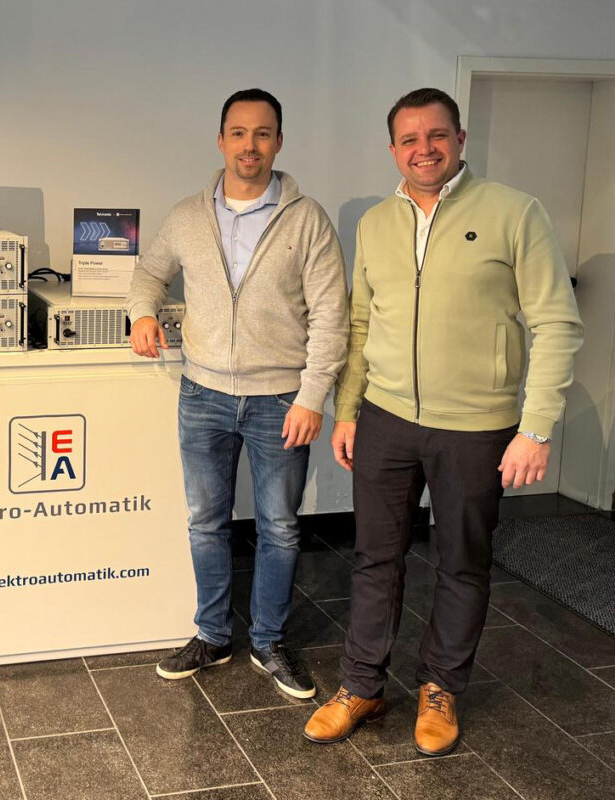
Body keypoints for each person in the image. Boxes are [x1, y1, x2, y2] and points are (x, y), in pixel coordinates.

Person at [304, 88, 583, 756]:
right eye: (409, 139)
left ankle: (440, 688)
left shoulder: (515, 212)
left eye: (436, 135)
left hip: (477, 427)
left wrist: (535, 427)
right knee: (375, 558)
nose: (423, 149)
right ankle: (362, 684)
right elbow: (362, 322)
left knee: (462, 562)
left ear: (459, 138)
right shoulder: (377, 223)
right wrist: (348, 410)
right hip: (385, 420)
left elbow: (556, 322)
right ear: (393, 149)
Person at [127, 89, 349, 699]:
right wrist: (142, 312)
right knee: (206, 522)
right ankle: (213, 634)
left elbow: (332, 315)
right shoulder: (187, 216)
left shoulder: (307, 220)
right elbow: (148, 273)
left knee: (279, 526)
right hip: (202, 394)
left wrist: (312, 396)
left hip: (281, 401)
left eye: (262, 133)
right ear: (221, 139)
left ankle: (269, 641)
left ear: (278, 142)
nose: (250, 145)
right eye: (239, 133)